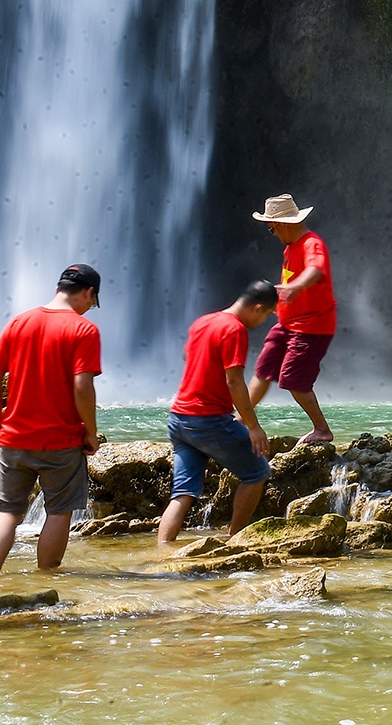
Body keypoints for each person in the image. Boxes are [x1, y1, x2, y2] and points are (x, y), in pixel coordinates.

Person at [0, 264, 103, 575]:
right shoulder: (83, 330)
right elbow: (82, 386)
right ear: (88, 293)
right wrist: (91, 431)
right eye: (93, 302)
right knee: (60, 512)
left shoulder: (19, 322)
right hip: (60, 441)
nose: (91, 309)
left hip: (15, 439)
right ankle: (45, 580)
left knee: (7, 511)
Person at [156, 280, 278, 546]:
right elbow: (234, 381)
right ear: (257, 308)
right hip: (207, 420)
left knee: (183, 493)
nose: (265, 320)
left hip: (178, 419)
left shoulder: (203, 322)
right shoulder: (234, 329)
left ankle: (162, 552)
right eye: (268, 314)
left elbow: (188, 358)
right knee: (257, 472)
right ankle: (234, 541)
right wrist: (253, 426)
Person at [248, 193, 337, 444]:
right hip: (287, 325)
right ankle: (241, 420)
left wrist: (295, 287)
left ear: (284, 224)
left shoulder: (311, 243)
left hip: (312, 326)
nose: (273, 234)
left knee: (295, 380)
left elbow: (315, 270)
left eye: (271, 228)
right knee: (264, 368)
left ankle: (322, 430)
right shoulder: (290, 248)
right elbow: (291, 286)